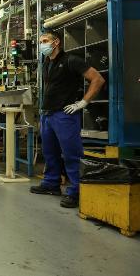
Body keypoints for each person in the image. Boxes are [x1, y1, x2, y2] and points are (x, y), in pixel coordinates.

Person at [30, 31, 105, 208]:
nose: (42, 45)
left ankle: (76, 191)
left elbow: (97, 79)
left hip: (65, 115)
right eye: (40, 42)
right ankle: (51, 183)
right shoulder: (47, 62)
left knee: (71, 154)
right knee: (49, 152)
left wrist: (83, 102)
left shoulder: (71, 60)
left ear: (56, 42)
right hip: (48, 114)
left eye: (45, 41)